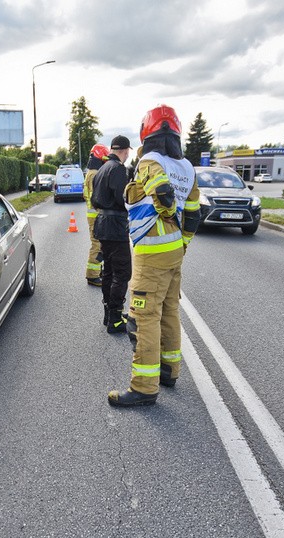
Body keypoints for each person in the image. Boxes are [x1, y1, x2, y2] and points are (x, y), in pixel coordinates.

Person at [108, 105, 200, 407]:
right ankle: (169, 370)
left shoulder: (150, 160)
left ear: (146, 135)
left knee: (144, 317)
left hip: (153, 252)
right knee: (170, 310)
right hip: (174, 251)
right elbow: (195, 213)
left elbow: (161, 192)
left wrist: (168, 213)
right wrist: (183, 242)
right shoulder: (187, 167)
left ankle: (144, 387)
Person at [91, 135, 132, 333]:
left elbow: (94, 198)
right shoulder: (118, 169)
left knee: (108, 271)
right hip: (115, 226)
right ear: (125, 151)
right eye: (128, 152)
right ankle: (116, 318)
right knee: (122, 272)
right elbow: (123, 198)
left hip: (103, 224)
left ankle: (109, 313)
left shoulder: (102, 168)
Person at [83, 144, 109, 287]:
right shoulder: (94, 174)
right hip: (96, 216)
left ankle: (96, 272)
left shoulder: (91, 172)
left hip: (94, 215)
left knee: (99, 244)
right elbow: (97, 198)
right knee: (97, 245)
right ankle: (92, 275)